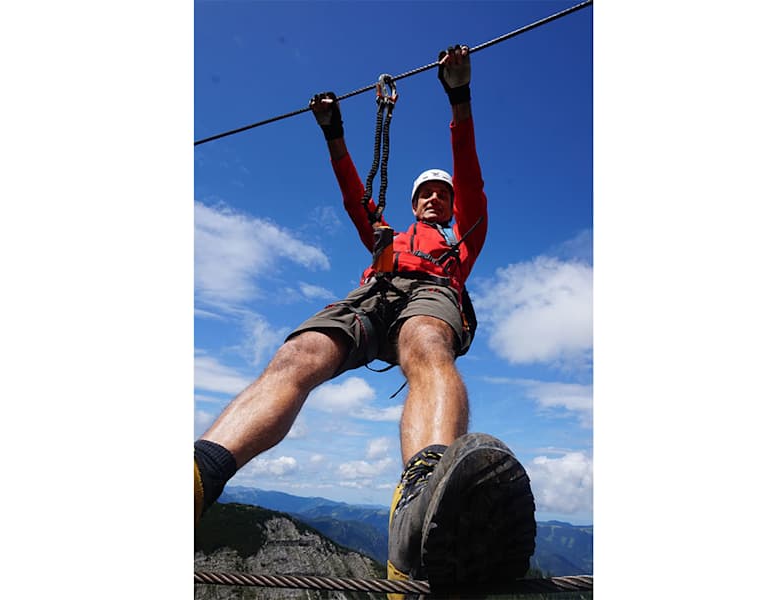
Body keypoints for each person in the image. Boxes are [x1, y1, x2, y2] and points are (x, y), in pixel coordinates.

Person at [194, 45, 536, 588]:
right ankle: (200, 475)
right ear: (414, 203)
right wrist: (333, 133)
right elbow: (356, 199)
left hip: (432, 291)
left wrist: (460, 98)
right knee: (301, 352)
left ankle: (424, 502)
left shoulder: (464, 239)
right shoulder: (388, 238)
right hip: (377, 288)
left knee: (427, 341)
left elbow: (472, 180)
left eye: (443, 195)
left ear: (453, 206)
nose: (435, 198)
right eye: (426, 193)